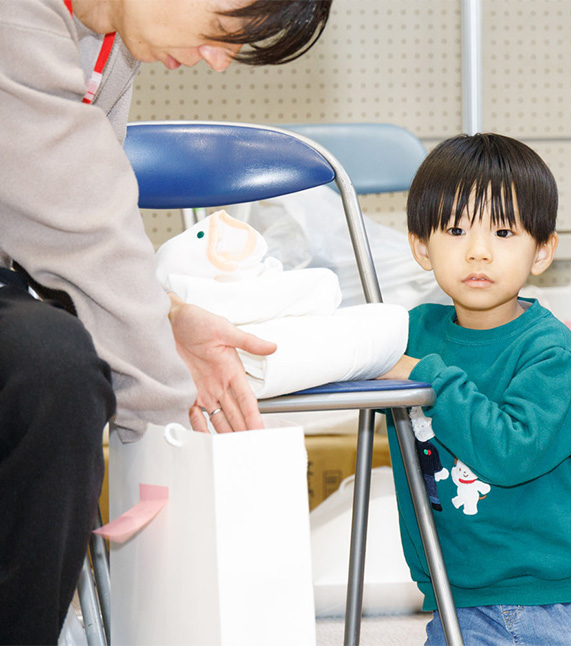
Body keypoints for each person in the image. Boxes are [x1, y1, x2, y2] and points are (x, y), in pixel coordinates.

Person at [0, 0, 331, 642]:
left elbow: (63, 217)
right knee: (55, 365)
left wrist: (168, 317)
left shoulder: (107, 39)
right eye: (224, 31)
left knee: (55, 367)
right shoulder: (19, 21)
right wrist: (166, 428)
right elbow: (82, 235)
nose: (219, 61)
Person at [377, 133, 571, 645]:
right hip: (456, 598)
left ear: (542, 251)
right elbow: (343, 357)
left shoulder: (547, 346)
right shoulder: (410, 333)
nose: (478, 252)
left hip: (556, 599)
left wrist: (427, 378)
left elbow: (512, 451)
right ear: (421, 246)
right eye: (455, 230)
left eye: (504, 231)